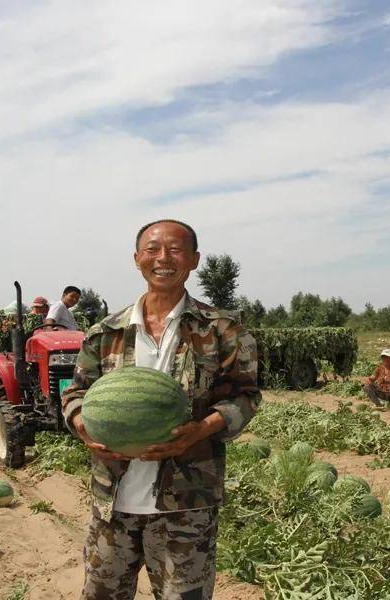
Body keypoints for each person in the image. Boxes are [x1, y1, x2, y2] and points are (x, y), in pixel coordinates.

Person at [61, 219, 260, 600]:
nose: (163, 258)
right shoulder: (105, 332)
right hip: (113, 502)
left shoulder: (223, 329)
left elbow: (246, 396)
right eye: (152, 250)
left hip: (187, 505)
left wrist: (201, 430)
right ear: (137, 259)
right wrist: (83, 423)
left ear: (195, 260)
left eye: (175, 249)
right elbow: (75, 392)